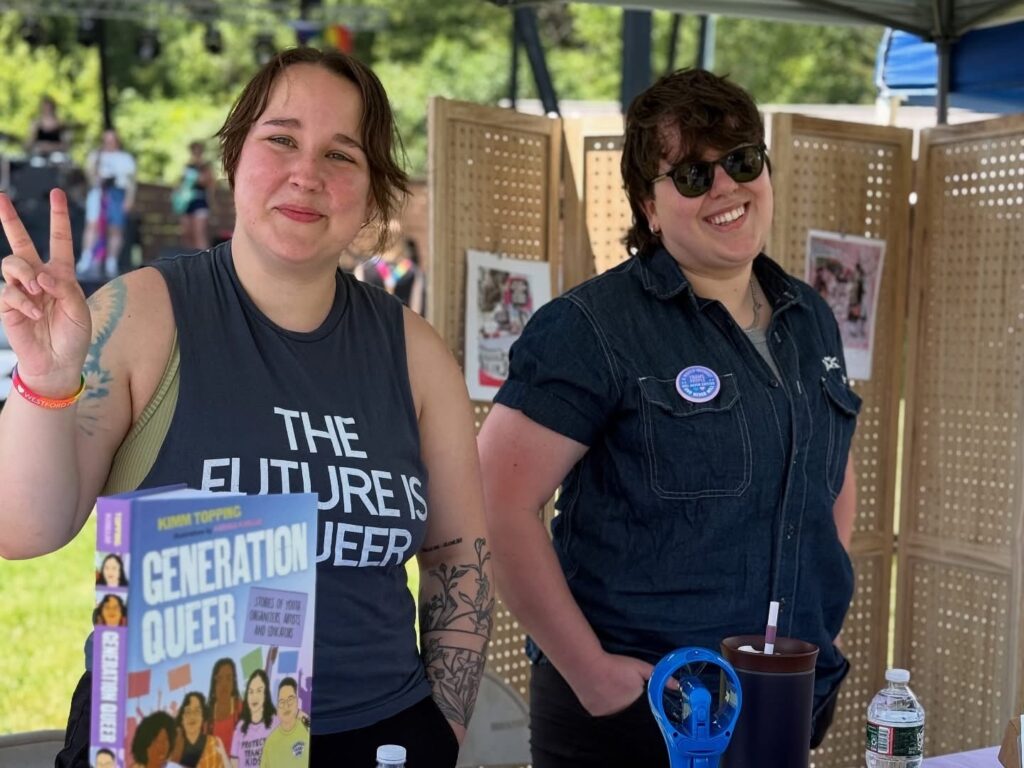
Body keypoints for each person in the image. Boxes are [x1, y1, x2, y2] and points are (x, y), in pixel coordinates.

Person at [0, 46, 490, 768]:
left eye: (342, 155)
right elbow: (24, 529)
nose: (308, 174)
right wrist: (45, 376)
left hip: (378, 734)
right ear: (234, 160)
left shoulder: (415, 353)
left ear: (371, 191)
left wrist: (439, 728)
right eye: (282, 139)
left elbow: (459, 560)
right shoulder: (141, 313)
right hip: (169, 736)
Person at [477, 68, 860, 768]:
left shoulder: (812, 321)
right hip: (640, 713)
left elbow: (829, 481)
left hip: (783, 705)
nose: (725, 187)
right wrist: (589, 673)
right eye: (690, 174)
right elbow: (497, 504)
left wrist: (815, 629)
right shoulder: (590, 327)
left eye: (742, 161)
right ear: (648, 207)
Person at [76, 127, 136, 280]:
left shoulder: (125, 158)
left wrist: (129, 199)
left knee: (115, 228)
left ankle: (111, 261)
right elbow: (89, 177)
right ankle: (87, 258)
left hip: (117, 194)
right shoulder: (96, 156)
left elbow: (130, 182)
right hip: (98, 193)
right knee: (93, 225)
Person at [172, 141, 215, 251]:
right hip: (186, 203)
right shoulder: (187, 166)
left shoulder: (205, 167)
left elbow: (208, 183)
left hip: (200, 201)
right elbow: (181, 183)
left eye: (198, 150)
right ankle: (190, 259)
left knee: (199, 232)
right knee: (186, 232)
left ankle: (204, 259)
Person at [171, 691, 230, 768]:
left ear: (203, 716)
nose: (192, 716)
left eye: (197, 711)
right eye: (188, 711)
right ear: (182, 718)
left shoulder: (215, 743)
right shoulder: (174, 749)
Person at [231, 670, 277, 768]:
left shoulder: (275, 722)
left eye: (259, 691)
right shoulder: (240, 727)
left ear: (265, 694)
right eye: (250, 692)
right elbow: (234, 762)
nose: (254, 696)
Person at [259, 677, 309, 767]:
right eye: (281, 702)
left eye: (290, 699)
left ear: (297, 701)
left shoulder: (307, 728)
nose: (286, 706)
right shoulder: (270, 743)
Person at [207, 659, 243, 755]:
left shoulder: (242, 709)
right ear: (214, 683)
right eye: (220, 679)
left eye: (229, 678)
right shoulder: (206, 717)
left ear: (233, 682)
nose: (224, 684)